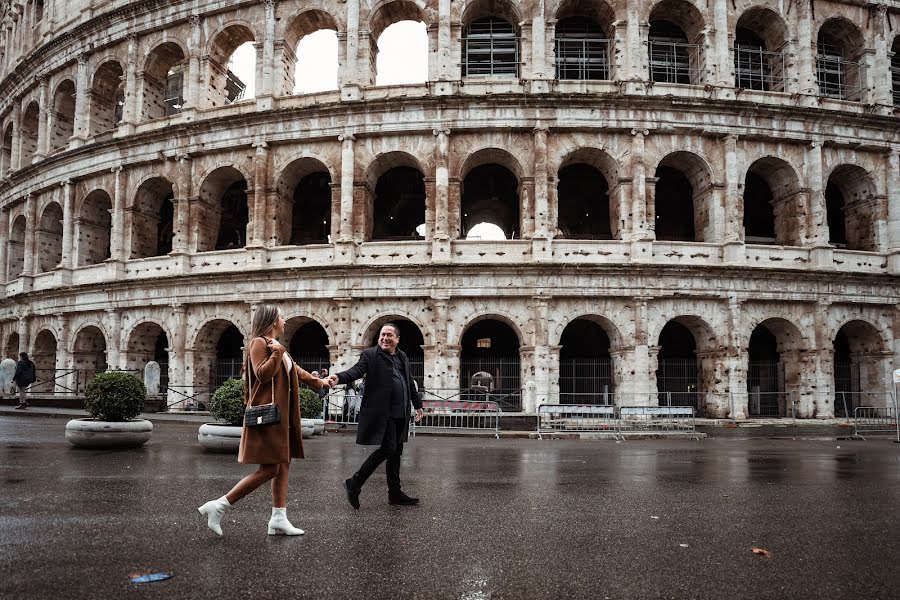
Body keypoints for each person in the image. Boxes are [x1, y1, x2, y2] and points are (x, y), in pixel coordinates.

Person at [198, 305, 329, 537]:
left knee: (283, 464)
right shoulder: (259, 343)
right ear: (271, 320)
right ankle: (219, 506)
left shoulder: (277, 346)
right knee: (269, 469)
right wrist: (277, 352)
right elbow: (262, 374)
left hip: (283, 417)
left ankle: (278, 518)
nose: (284, 320)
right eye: (281, 316)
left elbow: (295, 371)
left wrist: (319, 383)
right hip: (269, 416)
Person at [328, 323, 424, 509]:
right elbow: (356, 371)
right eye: (382, 335)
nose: (385, 338)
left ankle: (395, 493)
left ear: (397, 339)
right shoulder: (370, 355)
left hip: (400, 412)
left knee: (396, 451)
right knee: (388, 449)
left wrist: (418, 404)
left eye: (389, 335)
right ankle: (354, 482)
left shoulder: (402, 356)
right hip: (383, 412)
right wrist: (339, 377)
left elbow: (409, 382)